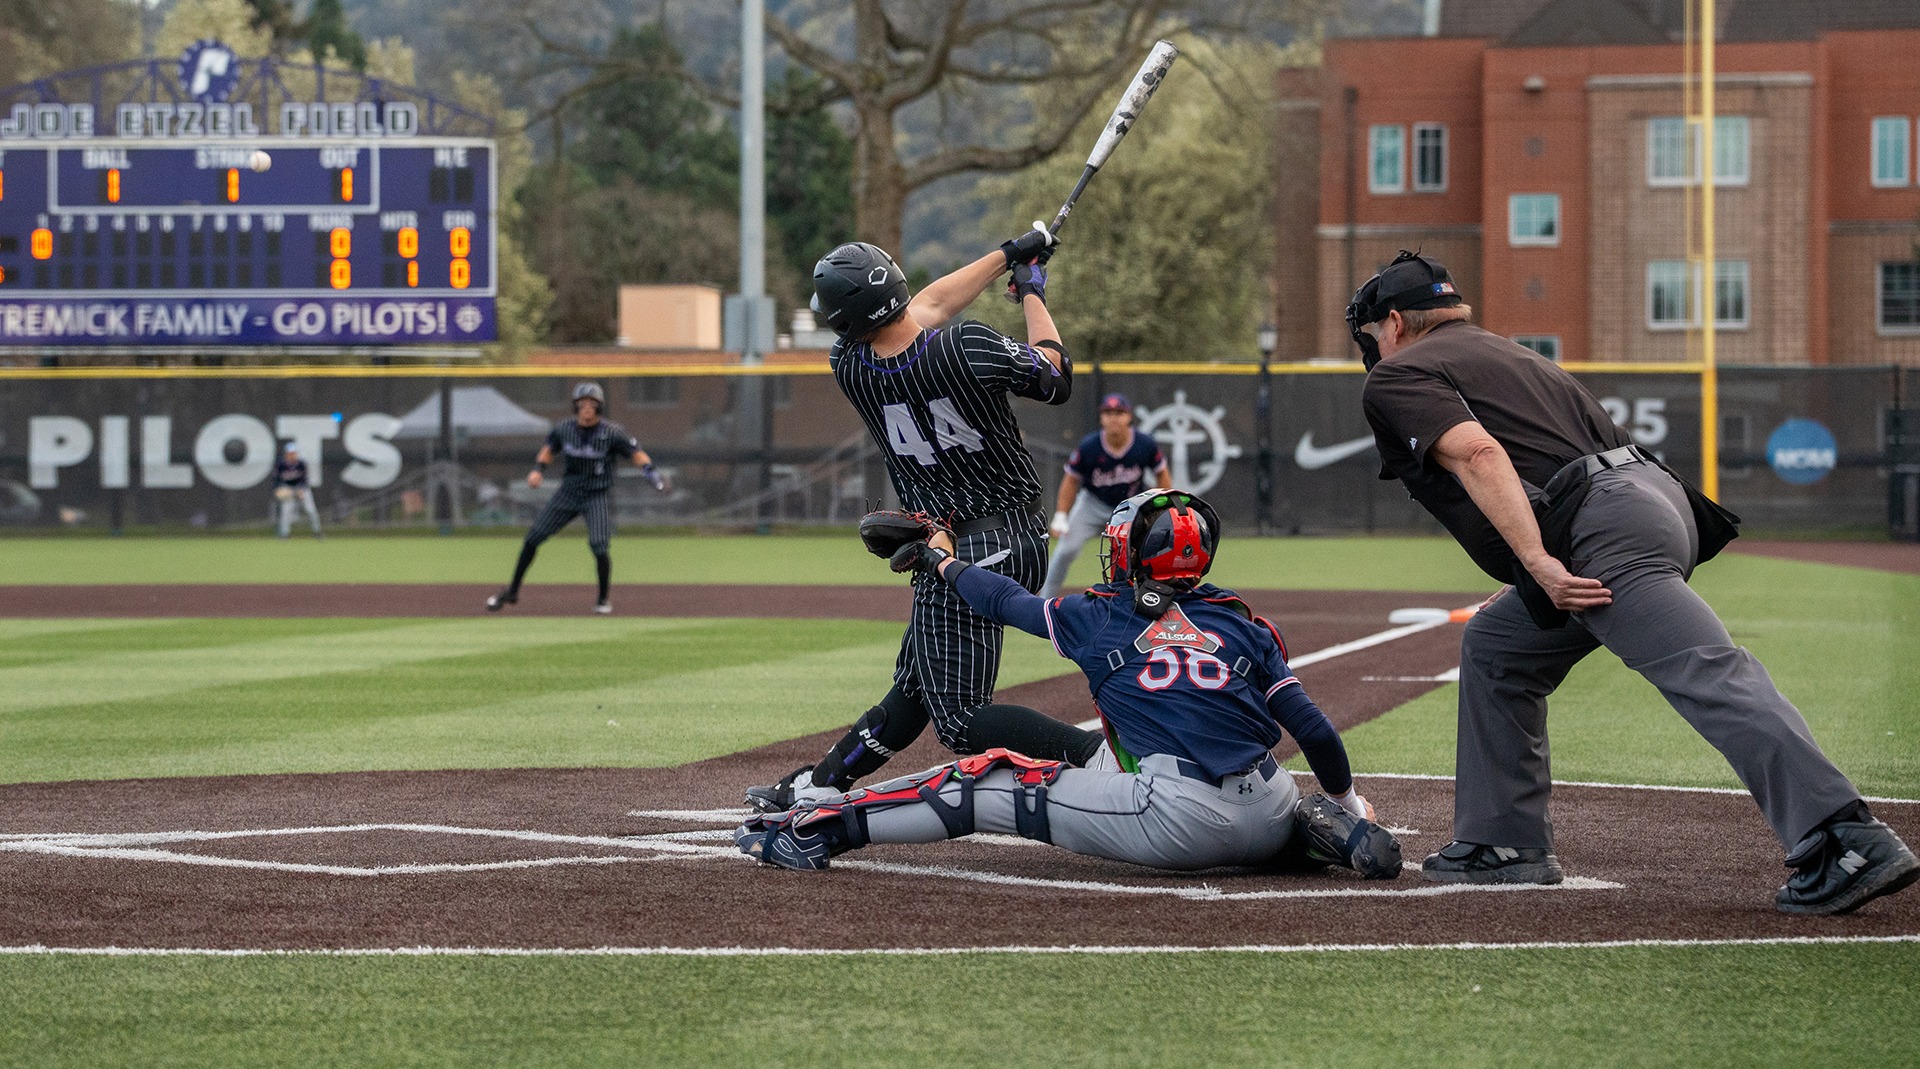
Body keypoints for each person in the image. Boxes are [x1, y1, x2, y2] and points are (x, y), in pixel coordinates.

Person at [1351, 249, 1918, 915]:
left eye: (1370, 335)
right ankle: (1504, 842)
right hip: (1647, 501)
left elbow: (1480, 452)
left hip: (1602, 525)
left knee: (1706, 669)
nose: (1371, 348)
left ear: (1394, 322)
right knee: (1499, 647)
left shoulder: (1401, 373)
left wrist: (1536, 561)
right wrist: (1537, 567)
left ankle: (1842, 836)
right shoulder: (1503, 353)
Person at [735, 488, 1402, 878]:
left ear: (1135, 556)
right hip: (1270, 801)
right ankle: (1326, 832)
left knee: (988, 778)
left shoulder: (1100, 614)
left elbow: (1001, 600)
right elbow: (1312, 729)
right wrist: (1347, 800)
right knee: (1106, 751)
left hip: (1178, 816)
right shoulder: (1245, 623)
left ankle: (815, 830)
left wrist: (942, 562)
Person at [744, 231, 1108, 812]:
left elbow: (923, 310)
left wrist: (1007, 257)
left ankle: (1098, 758)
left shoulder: (851, 366)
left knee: (961, 720)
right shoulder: (967, 347)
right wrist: (1032, 291)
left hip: (959, 549)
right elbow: (1056, 376)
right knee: (915, 688)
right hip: (1005, 534)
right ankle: (822, 784)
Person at [485, 382, 669, 616]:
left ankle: (603, 599)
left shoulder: (612, 432)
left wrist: (651, 474)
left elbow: (636, 453)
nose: (587, 408)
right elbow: (549, 448)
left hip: (597, 494)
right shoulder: (564, 429)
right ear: (576, 406)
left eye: (592, 404)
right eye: (582, 404)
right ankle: (512, 591)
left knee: (599, 547)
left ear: (599, 407)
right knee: (532, 539)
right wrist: (538, 469)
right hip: (568, 493)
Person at [1038, 392, 1171, 598]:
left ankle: (1153, 597)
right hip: (1092, 504)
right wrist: (1061, 516)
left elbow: (1161, 473)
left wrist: (1163, 506)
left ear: (1129, 417)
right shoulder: (1090, 446)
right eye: (1108, 413)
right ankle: (1045, 601)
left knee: (1147, 553)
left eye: (1119, 412)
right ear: (1101, 418)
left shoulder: (1144, 444)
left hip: (1131, 507)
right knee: (1066, 550)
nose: (1113, 418)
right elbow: (1071, 480)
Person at [271, 442, 323, 540]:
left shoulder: (301, 464)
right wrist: (277, 489)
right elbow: (276, 479)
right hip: (288, 489)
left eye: (294, 453)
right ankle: (284, 535)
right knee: (286, 512)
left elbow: (305, 479)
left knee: (311, 510)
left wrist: (301, 490)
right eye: (290, 453)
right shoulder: (281, 465)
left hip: (302, 489)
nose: (292, 455)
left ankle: (317, 532)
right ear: (286, 454)